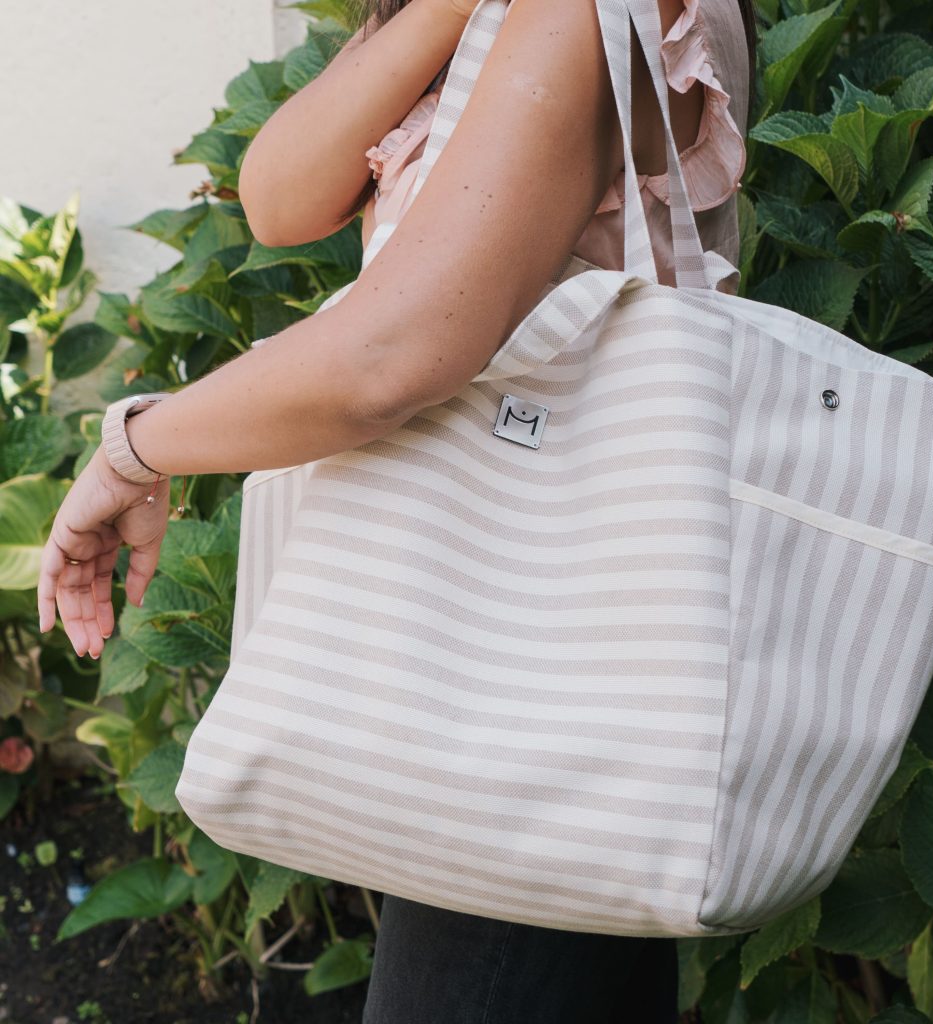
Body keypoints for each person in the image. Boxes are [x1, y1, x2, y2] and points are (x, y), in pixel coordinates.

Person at [37, 0, 755, 1020]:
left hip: (533, 677)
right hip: (500, 650)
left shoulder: (573, 13)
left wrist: (135, 447)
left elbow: (386, 358)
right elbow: (278, 196)